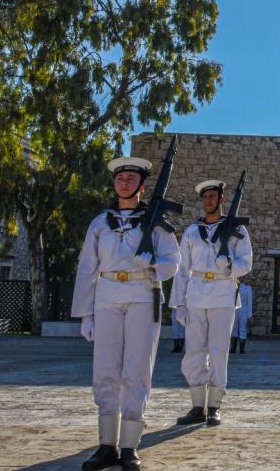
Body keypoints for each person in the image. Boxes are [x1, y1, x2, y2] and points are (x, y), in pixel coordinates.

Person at [71, 156, 180, 471]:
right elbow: (87, 269)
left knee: (136, 370)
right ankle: (106, 446)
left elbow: (174, 261)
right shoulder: (101, 222)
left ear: (142, 186)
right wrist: (86, 315)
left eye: (132, 179)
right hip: (106, 296)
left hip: (142, 296)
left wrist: (152, 264)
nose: (124, 182)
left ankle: (130, 446)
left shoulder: (156, 222)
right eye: (120, 178)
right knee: (105, 370)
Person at [172, 179, 253, 427]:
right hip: (196, 294)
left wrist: (229, 267)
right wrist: (179, 303)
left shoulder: (237, 230)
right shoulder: (191, 231)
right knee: (194, 350)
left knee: (218, 351)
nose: (208, 201)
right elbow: (182, 268)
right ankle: (197, 405)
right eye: (204, 197)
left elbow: (247, 263)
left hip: (222, 293)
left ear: (222, 200)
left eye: (212, 196)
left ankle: (215, 406)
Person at [232, 280, 254, 354]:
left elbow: (249, 302)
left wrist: (250, 315)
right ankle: (233, 348)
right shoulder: (232, 286)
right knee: (234, 329)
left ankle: (242, 348)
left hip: (244, 310)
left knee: (243, 329)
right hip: (234, 310)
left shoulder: (248, 288)